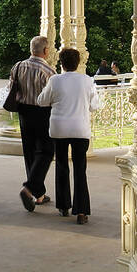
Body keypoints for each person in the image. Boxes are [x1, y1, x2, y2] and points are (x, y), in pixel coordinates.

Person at [36, 48, 103, 224]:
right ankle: (81, 211)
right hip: (80, 129)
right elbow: (95, 105)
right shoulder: (87, 80)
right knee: (80, 169)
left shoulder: (55, 80)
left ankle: (64, 206)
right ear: (78, 62)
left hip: (59, 129)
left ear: (61, 63)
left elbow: (41, 100)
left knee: (62, 165)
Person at [11, 36, 56, 212]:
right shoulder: (48, 71)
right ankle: (29, 188)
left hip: (23, 111)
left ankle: (38, 194)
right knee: (46, 151)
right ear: (45, 51)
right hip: (42, 112)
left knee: (30, 152)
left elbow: (11, 89)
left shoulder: (18, 66)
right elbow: (52, 97)